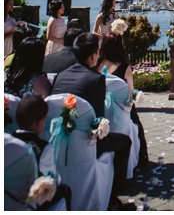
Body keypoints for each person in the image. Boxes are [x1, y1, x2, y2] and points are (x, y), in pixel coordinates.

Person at [50, 32, 134, 209]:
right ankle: (114, 196)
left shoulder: (61, 75)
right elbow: (97, 120)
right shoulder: (97, 80)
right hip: (86, 143)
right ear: (92, 55)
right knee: (125, 142)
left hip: (56, 139)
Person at [95, 33, 149, 168]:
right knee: (137, 125)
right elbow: (131, 94)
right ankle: (141, 157)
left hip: (100, 107)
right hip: (122, 109)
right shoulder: (125, 68)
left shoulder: (97, 65)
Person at [13, 95, 73, 210]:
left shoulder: (7, 140)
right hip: (32, 198)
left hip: (7, 193)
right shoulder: (44, 147)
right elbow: (50, 178)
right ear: (39, 122)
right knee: (65, 190)